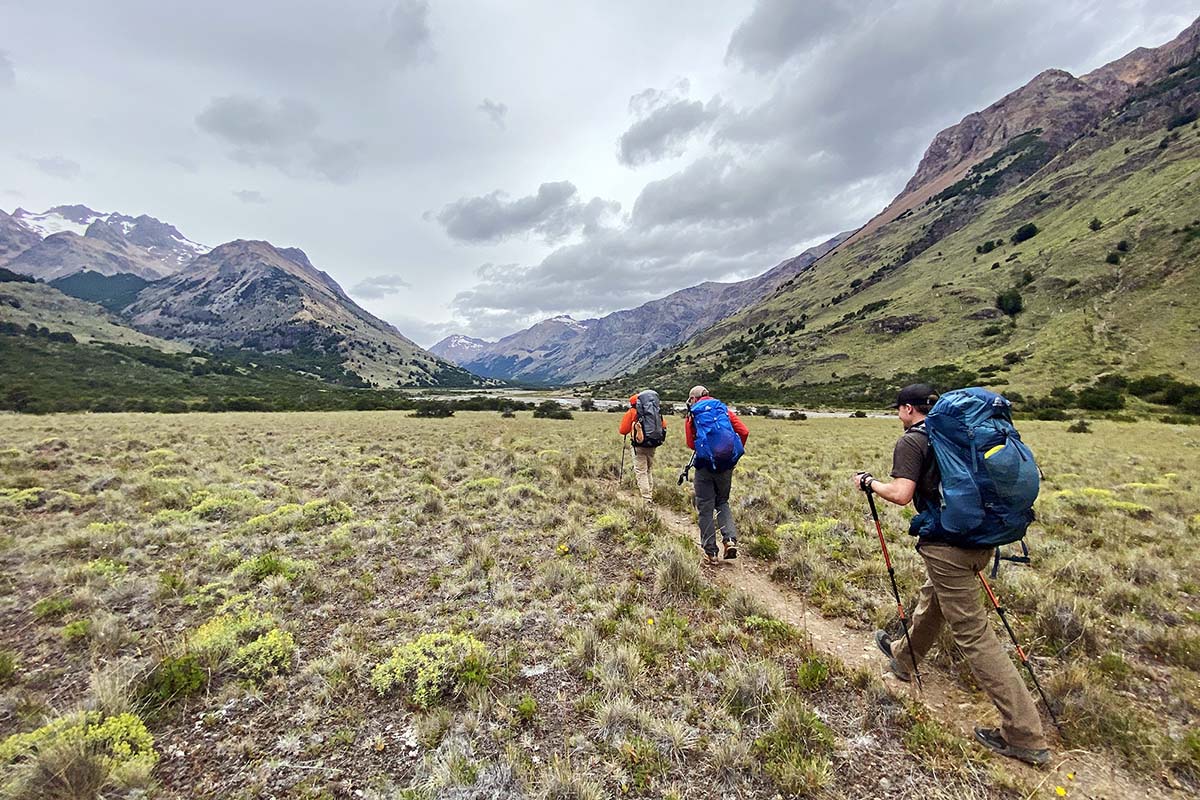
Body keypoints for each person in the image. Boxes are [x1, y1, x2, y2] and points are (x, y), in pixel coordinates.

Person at [852, 383, 1050, 766]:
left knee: (974, 635)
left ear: (908, 408)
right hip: (982, 538)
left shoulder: (913, 441)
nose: (899, 415)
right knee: (935, 598)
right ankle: (903, 659)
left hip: (948, 545)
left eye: (899, 409)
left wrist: (869, 483)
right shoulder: (961, 433)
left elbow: (901, 494)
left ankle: (1024, 734)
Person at [684, 385, 749, 565]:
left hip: (704, 467)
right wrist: (733, 451)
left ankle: (711, 553)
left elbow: (690, 444)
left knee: (705, 508)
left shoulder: (693, 415)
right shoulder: (723, 410)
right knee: (722, 502)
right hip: (726, 465)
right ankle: (729, 540)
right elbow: (744, 431)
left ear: (693, 399)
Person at [618, 390, 667, 502]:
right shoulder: (654, 412)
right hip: (653, 444)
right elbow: (663, 426)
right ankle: (650, 493)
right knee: (648, 470)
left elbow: (623, 430)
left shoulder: (632, 412)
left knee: (641, 471)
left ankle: (646, 498)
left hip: (638, 445)